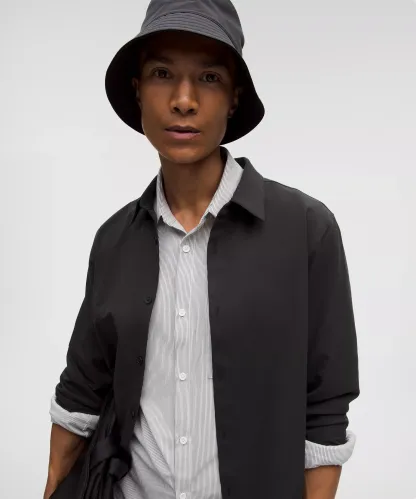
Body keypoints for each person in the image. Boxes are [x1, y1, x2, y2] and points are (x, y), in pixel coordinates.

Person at [44, 0, 360, 498]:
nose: (184, 100)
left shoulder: (306, 229)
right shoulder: (114, 240)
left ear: (234, 98)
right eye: (162, 73)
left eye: (209, 78)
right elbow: (81, 393)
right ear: (138, 90)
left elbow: (324, 410)